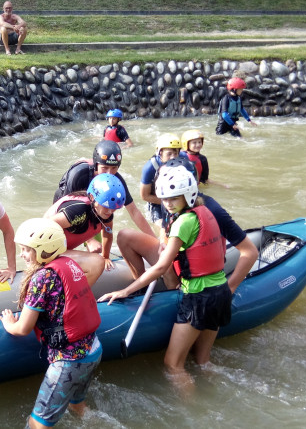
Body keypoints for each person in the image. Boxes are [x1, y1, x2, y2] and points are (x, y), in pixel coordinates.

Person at [99, 166, 233, 397]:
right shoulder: (205, 211)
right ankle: (219, 398)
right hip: (220, 291)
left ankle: (194, 413)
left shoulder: (183, 223)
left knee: (173, 365)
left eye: (174, 198)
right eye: (165, 199)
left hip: (198, 297)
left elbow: (161, 266)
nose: (168, 204)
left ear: (187, 195)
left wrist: (126, 291)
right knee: (202, 362)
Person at [0, 218, 102, 428]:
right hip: (94, 350)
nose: (22, 255)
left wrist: (9, 323)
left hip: (70, 361)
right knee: (77, 407)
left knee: (37, 424)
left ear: (44, 250)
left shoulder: (41, 278)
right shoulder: (69, 263)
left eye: (26, 250)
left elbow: (23, 328)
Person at [119, 156, 258, 293]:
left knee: (165, 264)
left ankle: (173, 292)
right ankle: (139, 291)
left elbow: (249, 251)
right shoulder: (167, 200)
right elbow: (165, 227)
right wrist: (163, 241)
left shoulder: (212, 209)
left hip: (198, 268)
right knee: (125, 236)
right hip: (174, 255)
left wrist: (230, 287)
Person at [54, 140, 155, 237]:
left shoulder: (115, 180)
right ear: (96, 165)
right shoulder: (79, 175)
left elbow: (133, 211)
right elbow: (70, 208)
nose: (109, 173)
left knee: (100, 224)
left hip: (93, 209)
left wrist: (154, 240)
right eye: (105, 168)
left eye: (114, 168)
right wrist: (89, 241)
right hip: (66, 208)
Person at [45, 173, 125, 272]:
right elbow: (43, 226)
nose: (110, 211)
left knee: (99, 260)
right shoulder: (79, 211)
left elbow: (107, 234)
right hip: (47, 252)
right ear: (92, 197)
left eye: (113, 208)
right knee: (96, 262)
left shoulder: (106, 214)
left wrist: (105, 257)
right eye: (106, 206)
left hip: (61, 251)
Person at [140, 133, 181, 228]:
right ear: (160, 152)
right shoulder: (150, 167)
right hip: (156, 202)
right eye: (169, 154)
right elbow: (144, 196)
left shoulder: (182, 160)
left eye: (175, 153)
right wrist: (168, 203)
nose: (173, 157)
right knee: (163, 226)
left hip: (177, 199)